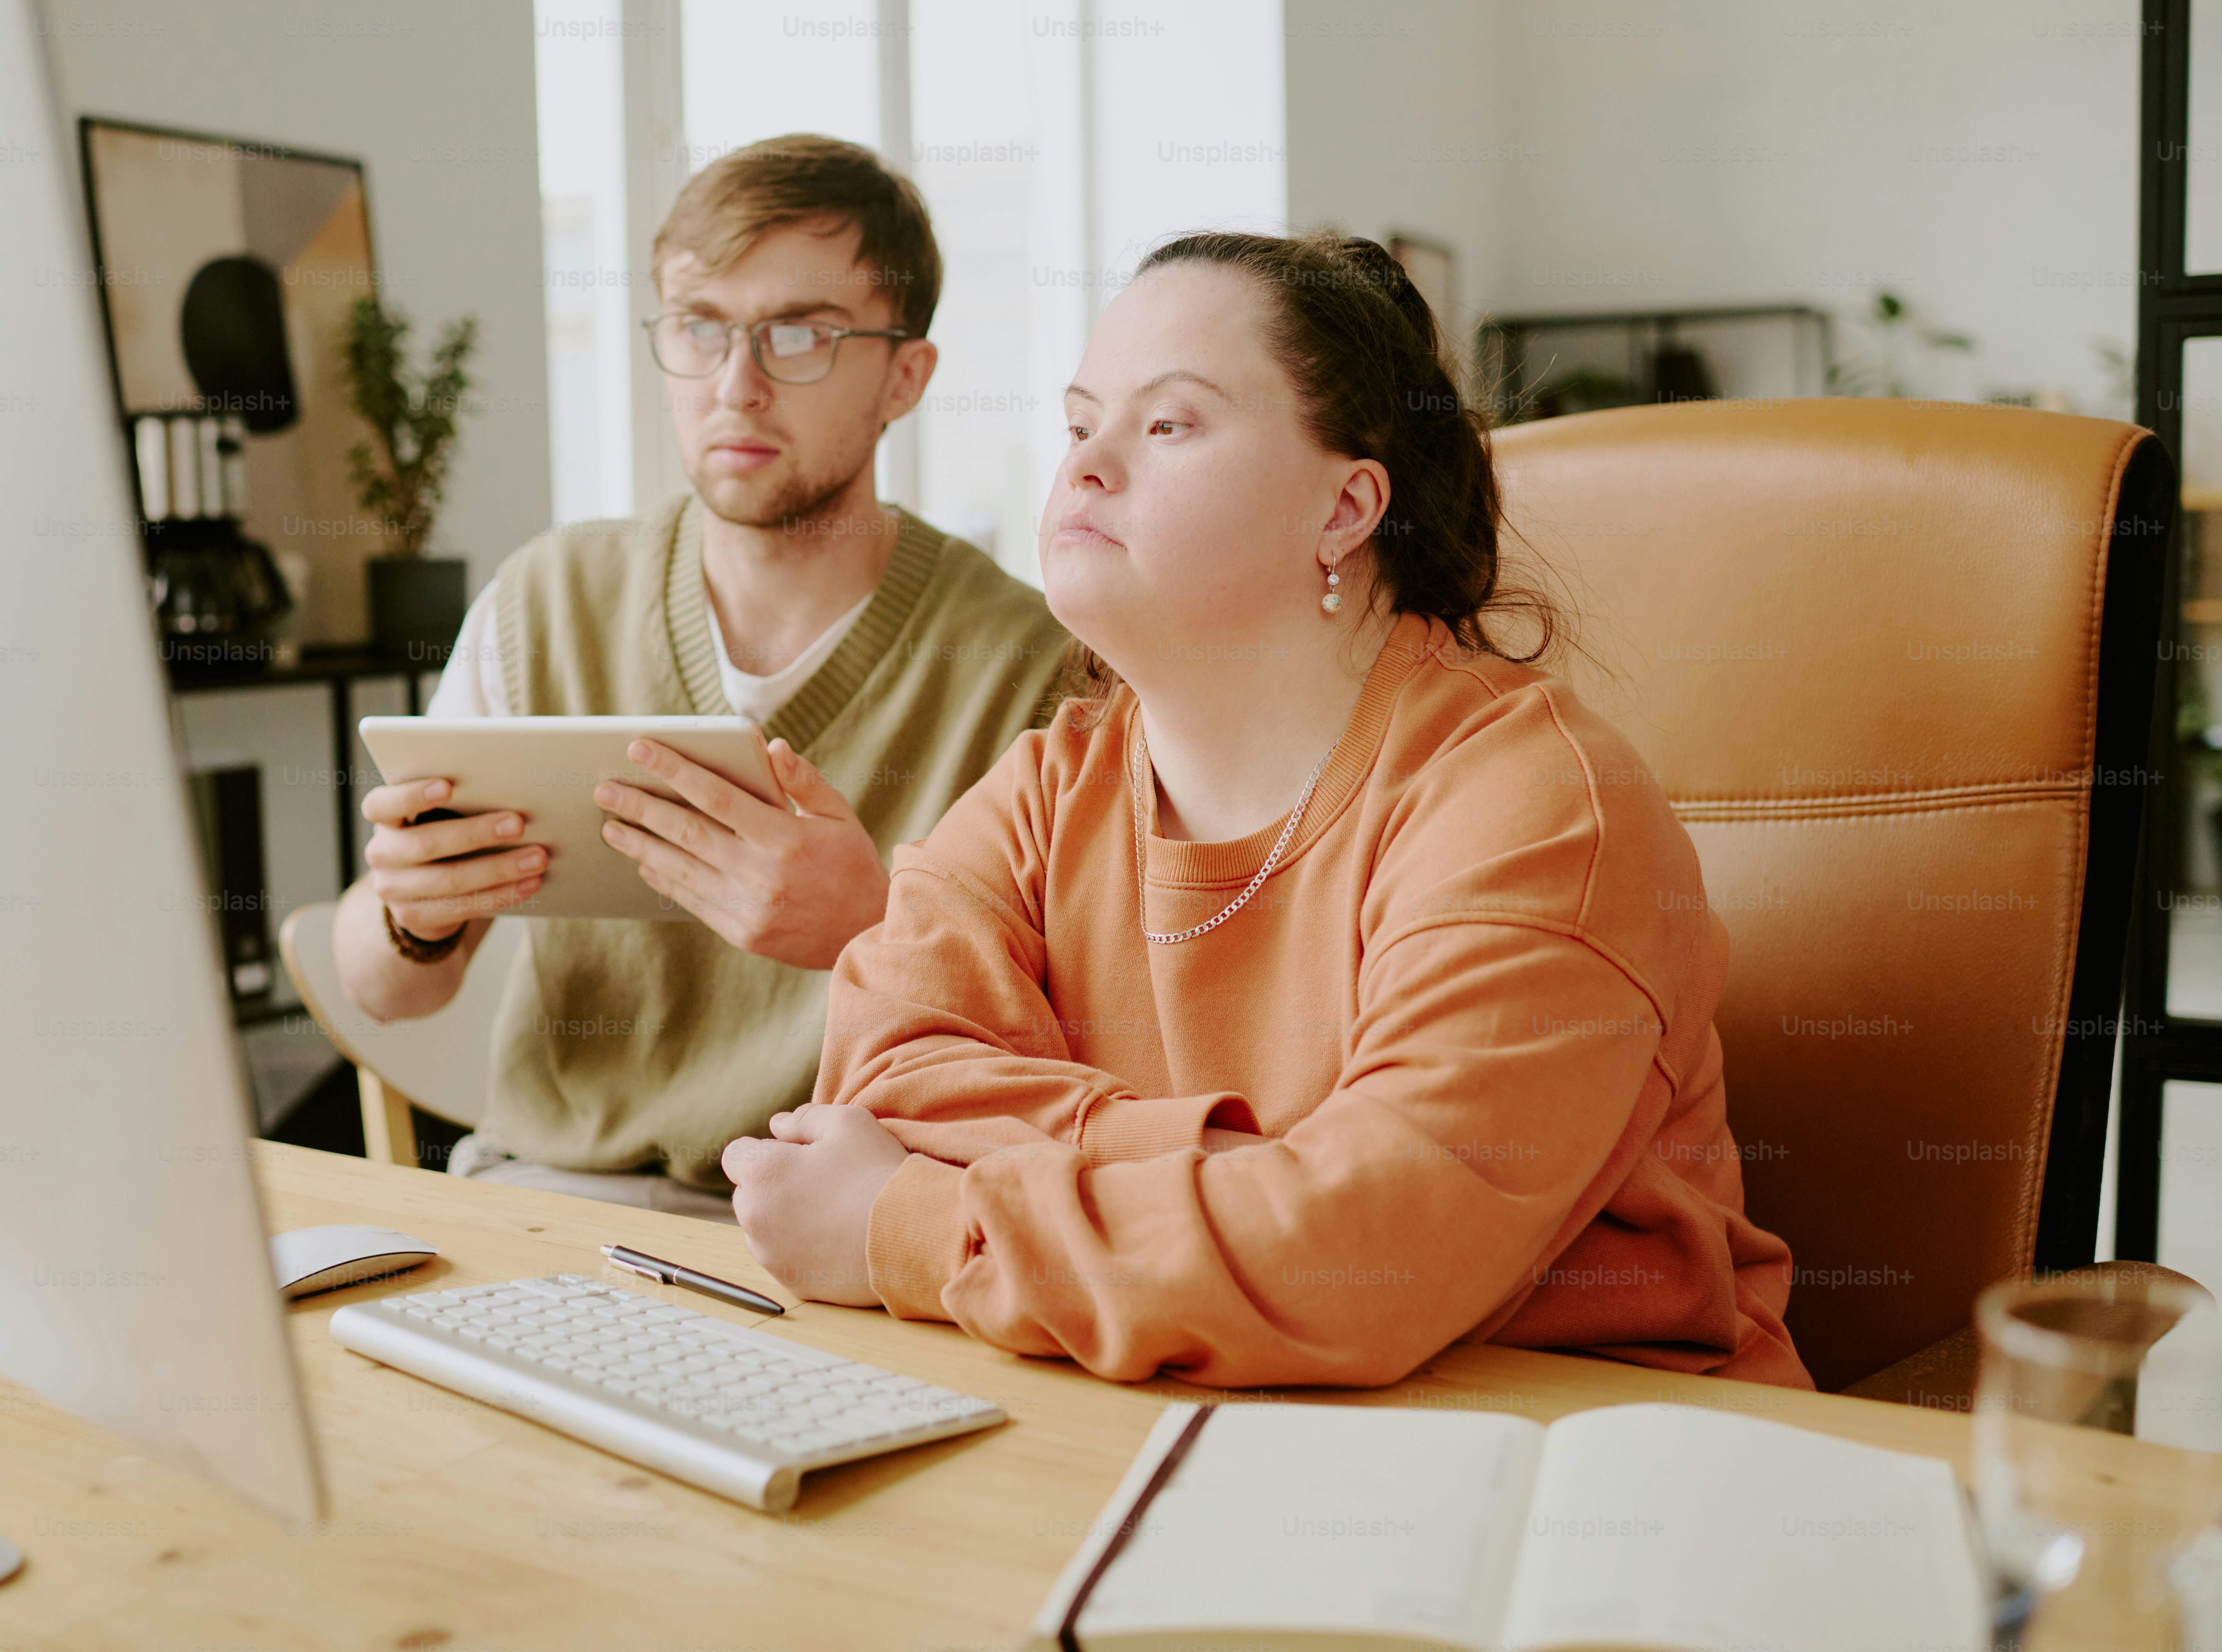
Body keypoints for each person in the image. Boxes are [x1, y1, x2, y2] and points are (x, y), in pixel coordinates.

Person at [722, 229, 1812, 1390]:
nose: (1087, 466)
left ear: (1345, 509)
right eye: (1080, 423)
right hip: (1177, 1410)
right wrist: (1254, 1171)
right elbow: (886, 1086)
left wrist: (916, 1225)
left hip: (1585, 1465)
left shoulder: (1540, 806)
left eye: (1169, 424)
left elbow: (1355, 1263)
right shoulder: (1049, 786)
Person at [334, 136, 1068, 1221]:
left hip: (857, 1232)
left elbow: (1085, 1049)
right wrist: (411, 915)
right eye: (699, 327)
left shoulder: (1030, 671)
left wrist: (873, 926)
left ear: (904, 376)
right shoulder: (548, 603)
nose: (738, 387)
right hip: (552, 1202)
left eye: (800, 335)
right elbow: (388, 990)